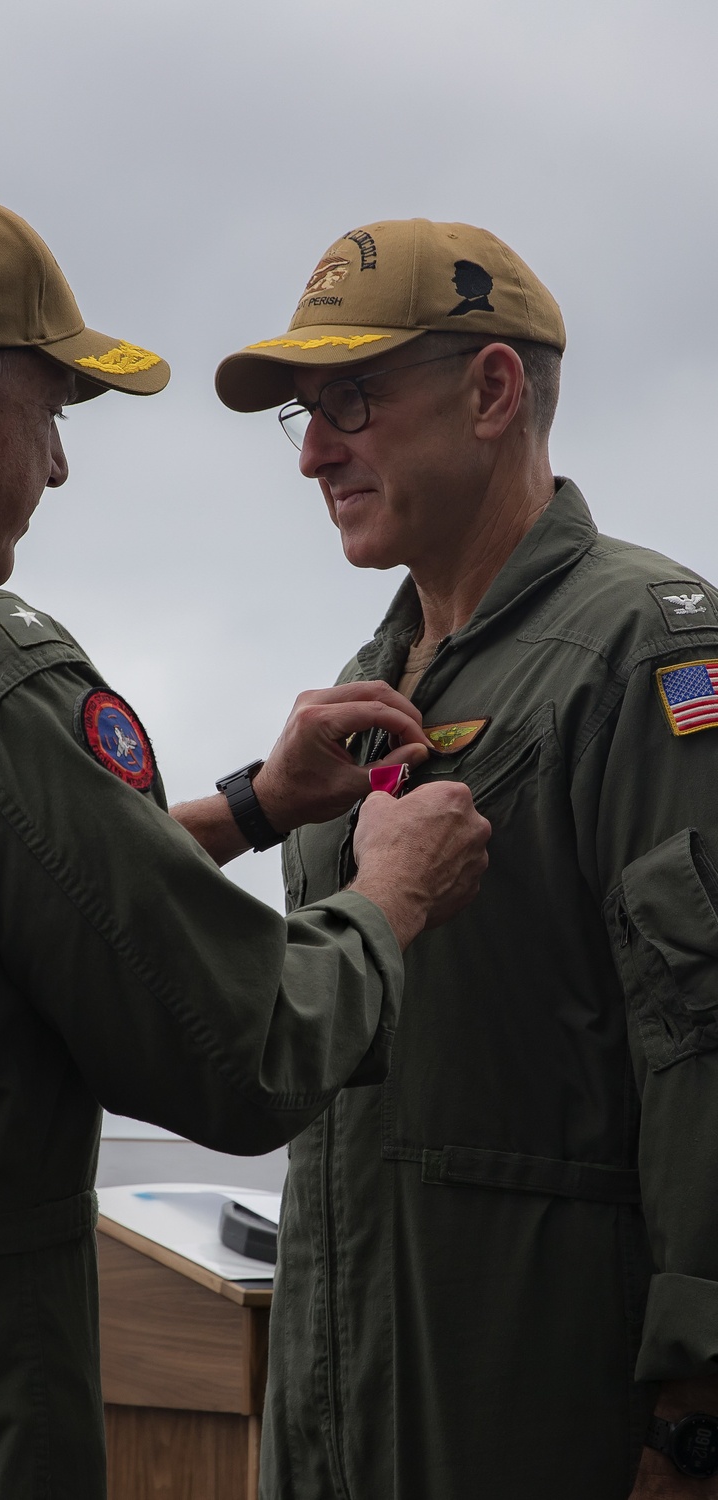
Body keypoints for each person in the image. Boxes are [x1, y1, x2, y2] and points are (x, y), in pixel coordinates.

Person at [0, 185, 489, 1500]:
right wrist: (389, 898)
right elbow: (243, 1056)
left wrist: (246, 810)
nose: (60, 468)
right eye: (54, 412)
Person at [215, 216, 718, 1500]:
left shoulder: (651, 652)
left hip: (538, 1401)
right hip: (343, 1386)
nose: (315, 451)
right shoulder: (362, 686)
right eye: (305, 414)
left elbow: (702, 1053)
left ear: (493, 391)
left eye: (352, 400)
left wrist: (694, 1412)